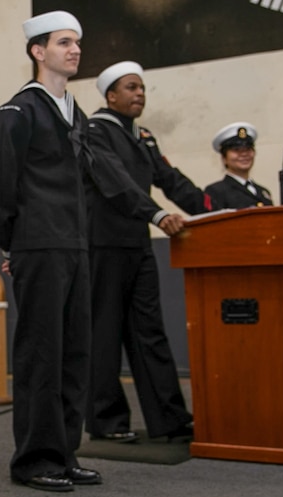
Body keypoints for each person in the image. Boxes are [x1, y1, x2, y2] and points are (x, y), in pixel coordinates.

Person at [0, 12, 185, 492]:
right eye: (63, 42)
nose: (74, 50)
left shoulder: (74, 114)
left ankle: (64, 451)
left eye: (77, 42)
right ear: (38, 51)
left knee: (75, 354)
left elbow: (100, 182)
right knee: (40, 356)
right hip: (39, 245)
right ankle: (33, 459)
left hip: (77, 247)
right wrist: (16, 244)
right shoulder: (18, 112)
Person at [85, 61, 210, 444]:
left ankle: (169, 419)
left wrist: (214, 211)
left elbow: (171, 180)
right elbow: (116, 184)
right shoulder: (95, 131)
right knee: (104, 334)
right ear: (111, 96)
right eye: (131, 87)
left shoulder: (142, 135)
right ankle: (107, 422)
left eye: (142, 88)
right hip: (103, 245)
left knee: (150, 332)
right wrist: (155, 214)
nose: (140, 94)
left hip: (137, 245)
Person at [204, 122, 273, 208]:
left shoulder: (263, 192)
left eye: (248, 149)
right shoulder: (216, 191)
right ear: (224, 158)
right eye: (236, 150)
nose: (244, 154)